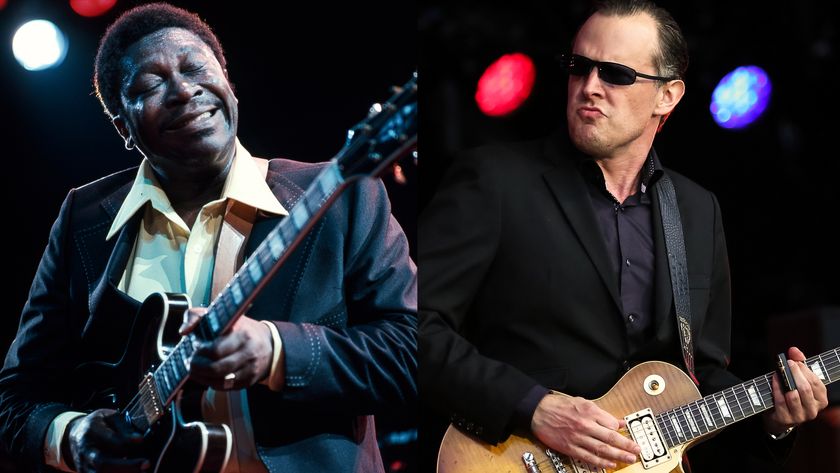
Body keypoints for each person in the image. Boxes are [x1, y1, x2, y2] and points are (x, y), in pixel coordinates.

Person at [0, 3, 416, 472]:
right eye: (150, 85)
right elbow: (17, 395)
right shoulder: (84, 220)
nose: (182, 90)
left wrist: (276, 350)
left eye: (195, 67)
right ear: (123, 127)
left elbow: (412, 354)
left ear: (229, 85)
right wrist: (69, 434)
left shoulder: (341, 198)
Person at [419, 0, 827, 470]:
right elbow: (414, 326)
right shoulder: (494, 180)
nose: (589, 87)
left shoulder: (697, 210)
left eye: (615, 74)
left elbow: (699, 377)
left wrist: (775, 419)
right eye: (579, 68)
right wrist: (533, 406)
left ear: (668, 97)